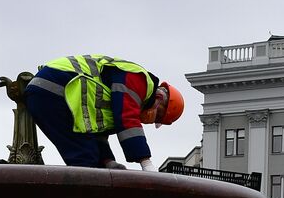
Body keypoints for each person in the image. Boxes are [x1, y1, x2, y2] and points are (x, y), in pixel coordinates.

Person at [23, 54, 185, 169]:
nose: (151, 119)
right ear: (159, 98)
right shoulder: (139, 80)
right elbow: (127, 119)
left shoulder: (128, 98)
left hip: (47, 93)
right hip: (55, 90)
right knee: (85, 159)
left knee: (87, 156)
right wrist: (146, 163)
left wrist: (108, 161)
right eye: (158, 115)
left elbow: (94, 130)